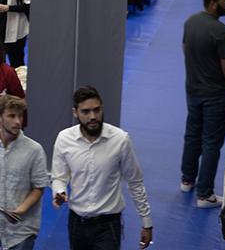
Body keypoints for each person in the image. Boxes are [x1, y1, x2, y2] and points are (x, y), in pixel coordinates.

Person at [51, 86, 154, 250]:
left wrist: (146, 222)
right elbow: (59, 177)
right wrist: (59, 191)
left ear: (102, 109)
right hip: (77, 223)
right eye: (85, 112)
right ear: (75, 112)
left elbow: (135, 181)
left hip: (109, 225)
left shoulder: (120, 139)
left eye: (96, 110)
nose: (93, 116)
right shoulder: (64, 139)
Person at [180, 0, 225, 208]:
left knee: (192, 135)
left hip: (193, 90)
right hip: (216, 95)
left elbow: (185, 49)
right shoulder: (221, 32)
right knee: (212, 142)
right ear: (214, 4)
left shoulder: (190, 21)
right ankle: (205, 195)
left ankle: (187, 180)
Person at [0, 95, 49, 250]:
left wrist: (22, 209)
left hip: (21, 232)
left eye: (20, 116)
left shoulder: (35, 150)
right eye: (12, 116)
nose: (18, 121)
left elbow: (39, 187)